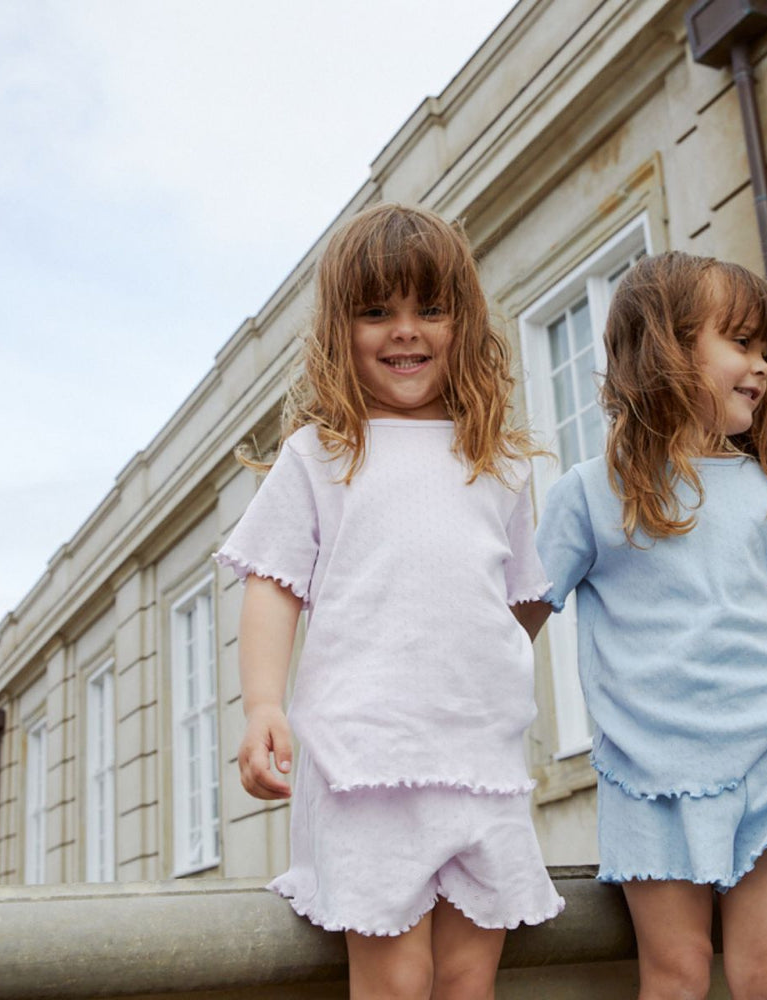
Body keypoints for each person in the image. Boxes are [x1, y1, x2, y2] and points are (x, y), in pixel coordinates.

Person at [214, 203, 563, 1000]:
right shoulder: (320, 454)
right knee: (397, 984)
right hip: (363, 757)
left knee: (470, 982)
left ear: (463, 323)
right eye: (378, 312)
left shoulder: (498, 464)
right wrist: (263, 704)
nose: (405, 331)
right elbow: (272, 584)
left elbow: (522, 602)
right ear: (343, 329)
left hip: (481, 760)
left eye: (428, 310)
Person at [527, 251, 767, 999]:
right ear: (665, 348)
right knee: (673, 977)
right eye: (740, 342)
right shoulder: (587, 494)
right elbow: (516, 621)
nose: (762, 365)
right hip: (647, 777)